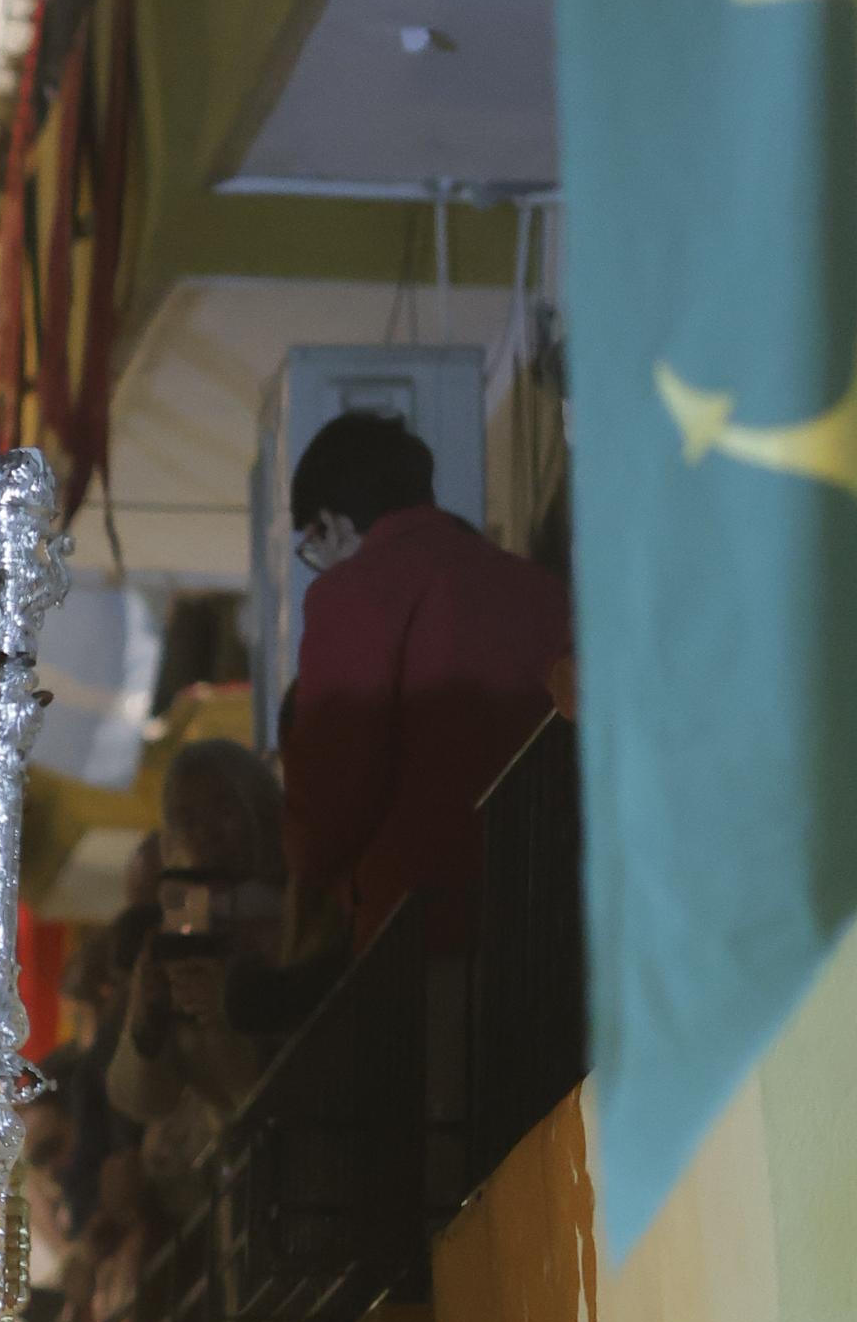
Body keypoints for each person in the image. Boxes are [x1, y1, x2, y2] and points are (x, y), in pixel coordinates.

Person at [277, 410, 569, 953]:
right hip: (551, 926)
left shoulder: (355, 593)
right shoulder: (544, 593)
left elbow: (331, 804)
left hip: (423, 935)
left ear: (331, 524)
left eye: (313, 549)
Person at [102, 739, 286, 1216]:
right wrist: (146, 1022)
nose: (206, 834)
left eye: (223, 811)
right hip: (248, 1192)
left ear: (260, 814)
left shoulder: (301, 905)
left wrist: (236, 1002)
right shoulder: (180, 919)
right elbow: (142, 1098)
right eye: (187, 820)